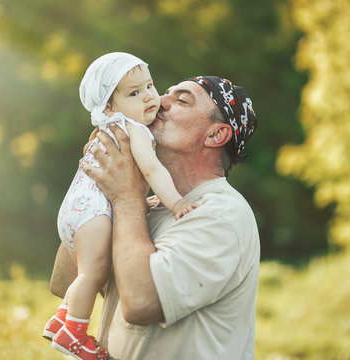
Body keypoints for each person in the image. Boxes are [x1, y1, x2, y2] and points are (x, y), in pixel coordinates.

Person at [51, 74, 260, 359]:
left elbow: (140, 304)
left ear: (215, 135)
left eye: (181, 100)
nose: (158, 101)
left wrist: (125, 199)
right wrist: (93, 195)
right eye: (166, 92)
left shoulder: (221, 214)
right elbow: (63, 282)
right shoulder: (145, 206)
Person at [43, 52, 197, 360]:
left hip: (75, 209)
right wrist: (176, 201)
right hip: (93, 213)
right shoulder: (134, 130)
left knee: (87, 271)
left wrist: (139, 200)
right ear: (108, 106)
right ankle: (73, 334)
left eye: (150, 86)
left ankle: (61, 316)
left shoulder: (107, 129)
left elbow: (121, 181)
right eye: (134, 93)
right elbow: (152, 171)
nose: (149, 97)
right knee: (92, 272)